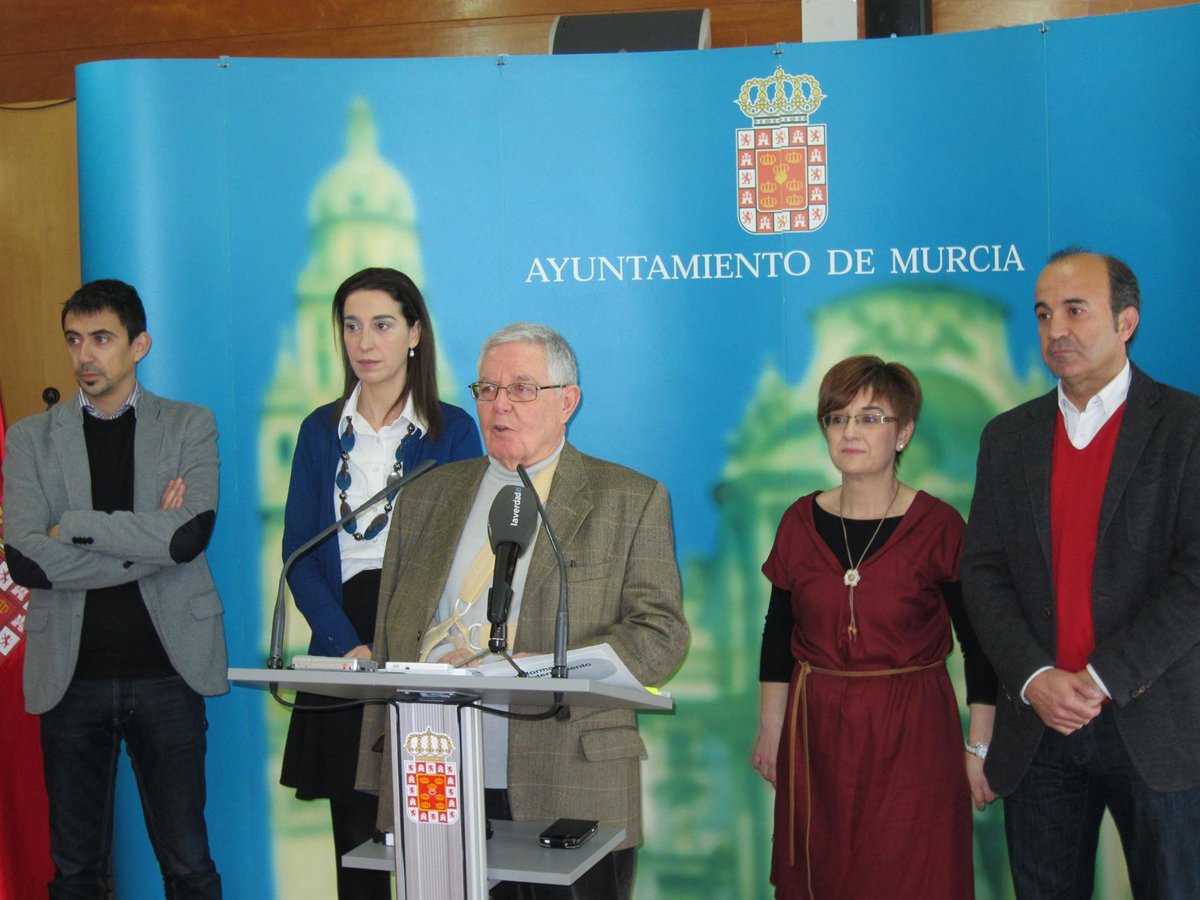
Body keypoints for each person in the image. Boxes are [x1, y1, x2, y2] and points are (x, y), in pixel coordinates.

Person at [355, 322, 689, 900]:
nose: (500, 404)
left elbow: (661, 635)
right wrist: (380, 765)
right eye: (487, 389)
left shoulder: (629, 499)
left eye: (522, 389)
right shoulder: (425, 497)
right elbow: (392, 632)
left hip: (571, 774)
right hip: (436, 765)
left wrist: (547, 666)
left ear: (567, 401)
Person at [961, 249, 1200, 898]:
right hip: (1037, 729)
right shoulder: (1007, 438)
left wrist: (1101, 678)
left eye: (1075, 310)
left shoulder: (1186, 428)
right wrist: (1034, 678)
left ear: (1126, 321)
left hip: (1155, 725)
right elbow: (982, 573)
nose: (1055, 330)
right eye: (1043, 314)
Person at [2, 279, 226, 898]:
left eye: (101, 339)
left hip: (168, 671)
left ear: (139, 345)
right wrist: (147, 539)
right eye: (74, 340)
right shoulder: (30, 439)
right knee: (75, 870)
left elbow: (188, 537)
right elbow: (25, 559)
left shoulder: (189, 425)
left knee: (189, 864)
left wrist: (73, 528)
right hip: (69, 676)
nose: (84, 356)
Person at [750, 355, 998, 900]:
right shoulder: (797, 522)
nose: (850, 432)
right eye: (837, 419)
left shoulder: (939, 525)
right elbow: (776, 636)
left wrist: (979, 747)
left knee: (911, 876)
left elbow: (980, 647)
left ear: (902, 433)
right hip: (817, 736)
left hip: (914, 734)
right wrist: (771, 729)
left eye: (869, 418)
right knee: (825, 876)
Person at [279, 267, 482, 899]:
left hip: (421, 641)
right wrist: (348, 647)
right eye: (351, 326)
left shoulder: (452, 431)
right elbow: (299, 554)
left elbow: (463, 551)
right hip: (342, 639)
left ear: (415, 333)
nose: (364, 342)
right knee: (356, 849)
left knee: (435, 837)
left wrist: (411, 648)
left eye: (383, 325)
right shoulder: (319, 431)